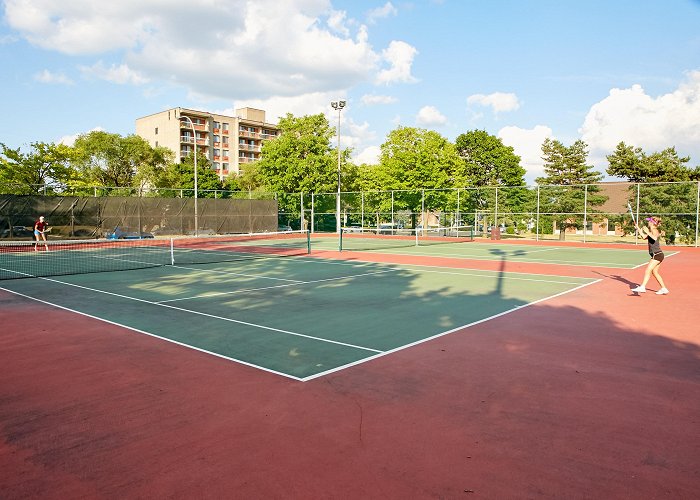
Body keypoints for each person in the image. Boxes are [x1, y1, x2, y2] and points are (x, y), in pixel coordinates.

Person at [631, 216, 668, 295]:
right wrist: (638, 229)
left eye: (649, 221)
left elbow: (654, 238)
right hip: (659, 254)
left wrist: (647, 231)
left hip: (657, 254)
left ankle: (643, 287)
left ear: (652, 222)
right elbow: (644, 237)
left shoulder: (654, 230)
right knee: (654, 272)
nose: (648, 222)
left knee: (647, 270)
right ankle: (664, 288)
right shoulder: (651, 231)